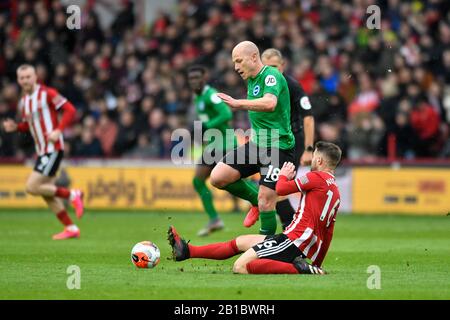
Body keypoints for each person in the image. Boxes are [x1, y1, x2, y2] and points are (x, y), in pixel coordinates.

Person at [168, 141, 342, 274]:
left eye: (313, 158)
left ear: (319, 160)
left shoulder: (315, 177)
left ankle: (298, 269)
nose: (311, 160)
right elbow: (329, 232)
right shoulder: (335, 191)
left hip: (293, 242)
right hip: (295, 241)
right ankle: (187, 251)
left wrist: (282, 175)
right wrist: (318, 264)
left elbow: (280, 189)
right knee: (240, 242)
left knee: (241, 266)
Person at [213, 40, 295, 235]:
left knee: (267, 200)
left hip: (278, 146)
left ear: (254, 57)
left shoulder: (271, 76)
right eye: (234, 62)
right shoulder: (251, 79)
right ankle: (254, 203)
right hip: (256, 145)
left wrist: (237, 103)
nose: (236, 67)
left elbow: (270, 103)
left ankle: (264, 250)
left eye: (239, 61)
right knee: (217, 178)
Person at [2, 64, 84, 240]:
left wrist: (58, 131)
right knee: (45, 192)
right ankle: (71, 228)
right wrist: (16, 127)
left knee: (32, 187)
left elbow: (70, 110)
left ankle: (72, 194)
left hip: (53, 148)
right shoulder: (24, 102)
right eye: (22, 78)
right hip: (42, 151)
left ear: (35, 77)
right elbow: (28, 125)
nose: (25, 80)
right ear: (18, 80)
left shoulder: (47, 93)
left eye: (28, 77)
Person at [261, 48, 315, 230]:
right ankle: (291, 229)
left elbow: (308, 116)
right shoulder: (260, 85)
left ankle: (291, 228)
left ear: (283, 66)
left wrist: (309, 148)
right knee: (271, 188)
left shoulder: (292, 85)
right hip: (271, 141)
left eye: (275, 66)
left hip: (291, 142)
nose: (272, 71)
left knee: (278, 188)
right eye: (267, 67)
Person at [187, 65, 236, 236]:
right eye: (191, 78)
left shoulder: (211, 95)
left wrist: (206, 126)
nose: (194, 81)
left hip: (225, 143)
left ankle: (262, 199)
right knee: (200, 181)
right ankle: (215, 219)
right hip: (214, 145)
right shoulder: (197, 98)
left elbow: (227, 114)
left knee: (228, 181)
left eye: (197, 78)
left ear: (204, 78)